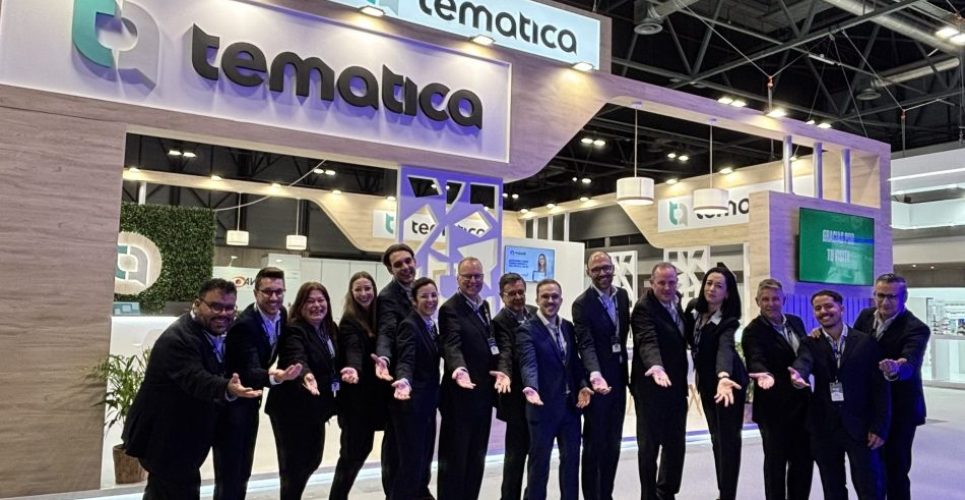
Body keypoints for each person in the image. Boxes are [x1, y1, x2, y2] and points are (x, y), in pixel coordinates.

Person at [122, 279, 263, 499]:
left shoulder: (210, 333)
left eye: (229, 308)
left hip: (184, 441)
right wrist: (226, 387)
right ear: (197, 304)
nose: (223, 314)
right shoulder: (178, 339)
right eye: (215, 306)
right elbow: (195, 377)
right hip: (165, 439)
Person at [790, 290, 890, 500]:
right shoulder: (810, 342)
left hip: (860, 427)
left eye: (829, 306)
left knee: (869, 487)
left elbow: (880, 388)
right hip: (825, 427)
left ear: (841, 309)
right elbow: (804, 361)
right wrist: (799, 374)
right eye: (818, 308)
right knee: (832, 488)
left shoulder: (865, 342)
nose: (823, 311)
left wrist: (879, 427)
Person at [216, 267, 302, 500]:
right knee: (231, 471)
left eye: (279, 291)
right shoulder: (244, 325)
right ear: (255, 293)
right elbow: (249, 370)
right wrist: (276, 377)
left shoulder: (282, 314)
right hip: (232, 401)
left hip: (252, 400)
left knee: (244, 467)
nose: (274, 297)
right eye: (268, 292)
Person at [517, 279, 607, 500]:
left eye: (555, 296)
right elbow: (528, 362)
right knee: (539, 466)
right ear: (537, 299)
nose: (550, 301)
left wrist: (583, 385)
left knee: (571, 464)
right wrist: (531, 386)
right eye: (545, 296)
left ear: (561, 300)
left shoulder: (567, 327)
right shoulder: (526, 330)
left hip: (570, 410)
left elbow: (574, 364)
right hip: (542, 408)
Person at [391, 278, 473, 500]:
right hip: (412, 407)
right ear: (414, 300)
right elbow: (406, 359)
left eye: (433, 295)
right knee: (411, 465)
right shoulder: (410, 325)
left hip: (427, 405)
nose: (430, 300)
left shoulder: (429, 324)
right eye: (424, 296)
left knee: (422, 461)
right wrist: (404, 380)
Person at [437, 257, 509, 500]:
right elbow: (451, 345)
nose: (473, 281)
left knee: (476, 456)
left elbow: (490, 344)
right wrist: (459, 369)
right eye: (467, 276)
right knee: (455, 457)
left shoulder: (484, 306)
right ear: (458, 278)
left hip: (482, 394)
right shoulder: (450, 309)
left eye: (477, 276)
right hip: (459, 396)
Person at [853, 273, 930, 500]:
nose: (885, 302)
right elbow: (852, 344)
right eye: (880, 295)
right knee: (870, 471)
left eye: (891, 297)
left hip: (900, 410)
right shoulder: (865, 317)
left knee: (896, 471)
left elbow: (911, 363)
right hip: (870, 408)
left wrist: (896, 368)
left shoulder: (916, 328)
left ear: (904, 297)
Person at [265, 282, 340, 500]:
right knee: (293, 468)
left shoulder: (329, 329)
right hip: (291, 409)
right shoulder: (294, 330)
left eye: (320, 300)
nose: (317, 305)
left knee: (312, 460)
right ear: (300, 305)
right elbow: (296, 356)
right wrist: (305, 375)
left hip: (317, 408)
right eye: (310, 301)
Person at [742, 279, 812, 500]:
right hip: (773, 408)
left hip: (802, 405)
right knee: (776, 464)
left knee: (803, 461)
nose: (770, 303)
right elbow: (755, 357)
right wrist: (762, 373)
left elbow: (805, 351)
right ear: (757, 301)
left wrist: (800, 370)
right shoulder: (753, 331)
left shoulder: (796, 322)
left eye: (775, 299)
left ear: (784, 300)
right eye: (765, 299)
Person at [686, 264, 748, 500]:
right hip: (707, 384)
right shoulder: (694, 309)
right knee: (716, 439)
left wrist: (723, 376)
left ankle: (727, 494)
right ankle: (723, 490)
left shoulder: (728, 321)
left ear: (727, 293)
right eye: (709, 283)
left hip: (729, 385)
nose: (711, 289)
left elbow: (725, 348)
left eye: (718, 286)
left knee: (728, 441)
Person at [572, 251, 630, 500]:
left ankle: (607, 494)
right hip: (597, 383)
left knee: (614, 442)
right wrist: (595, 374)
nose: (602, 273)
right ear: (588, 272)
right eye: (596, 269)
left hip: (619, 380)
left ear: (613, 268)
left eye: (606, 267)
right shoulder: (582, 304)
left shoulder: (622, 296)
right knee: (594, 444)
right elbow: (585, 344)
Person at [630, 262, 689, 500]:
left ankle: (666, 492)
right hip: (650, 388)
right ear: (651, 283)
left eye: (671, 282)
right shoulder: (643, 308)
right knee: (649, 446)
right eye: (661, 283)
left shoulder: (678, 302)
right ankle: (648, 495)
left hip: (676, 386)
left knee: (676, 444)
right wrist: (655, 366)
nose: (667, 287)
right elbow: (647, 339)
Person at [330, 272, 390, 500]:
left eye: (367, 288)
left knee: (368, 451)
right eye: (358, 289)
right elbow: (353, 349)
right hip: (355, 402)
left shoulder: (379, 318)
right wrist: (353, 368)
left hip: (377, 399)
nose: (364, 293)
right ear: (351, 293)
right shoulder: (349, 321)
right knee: (352, 455)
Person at [372, 243, 425, 498]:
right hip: (400, 379)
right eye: (398, 264)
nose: (405, 267)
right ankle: (393, 493)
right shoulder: (388, 296)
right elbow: (386, 330)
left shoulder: (422, 291)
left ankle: (417, 490)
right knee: (397, 443)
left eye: (408, 261)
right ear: (390, 270)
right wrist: (383, 357)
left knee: (416, 441)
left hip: (422, 379)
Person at [492, 272, 537, 500]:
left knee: (537, 454)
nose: (518, 297)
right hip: (515, 399)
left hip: (538, 396)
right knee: (515, 457)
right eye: (512, 294)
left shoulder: (535, 313)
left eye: (521, 292)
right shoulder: (498, 322)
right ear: (502, 296)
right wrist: (505, 374)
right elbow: (505, 353)